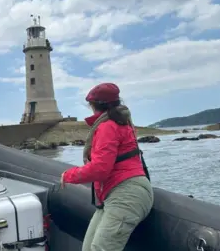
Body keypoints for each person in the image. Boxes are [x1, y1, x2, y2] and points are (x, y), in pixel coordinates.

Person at [60, 82, 154, 251]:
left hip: (126, 193)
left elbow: (100, 168)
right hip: (116, 193)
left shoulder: (107, 126)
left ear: (93, 105)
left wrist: (69, 175)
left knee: (100, 248)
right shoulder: (120, 122)